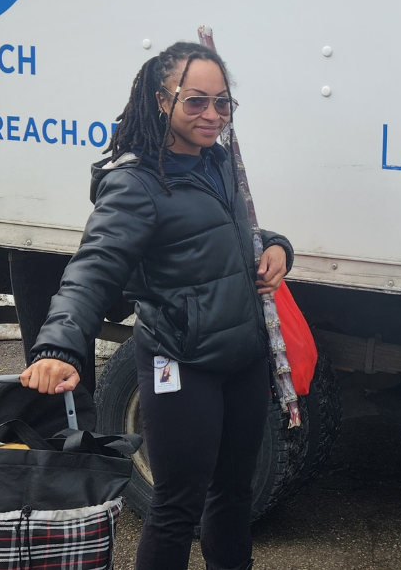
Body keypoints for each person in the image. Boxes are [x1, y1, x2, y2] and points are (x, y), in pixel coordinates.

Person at [19, 41, 291, 570]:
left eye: (222, 102)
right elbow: (91, 270)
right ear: (161, 100)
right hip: (180, 362)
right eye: (195, 101)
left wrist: (278, 247)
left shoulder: (218, 163)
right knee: (176, 505)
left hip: (242, 358)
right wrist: (58, 346)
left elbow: (223, 234)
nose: (211, 115)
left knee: (233, 496)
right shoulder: (135, 184)